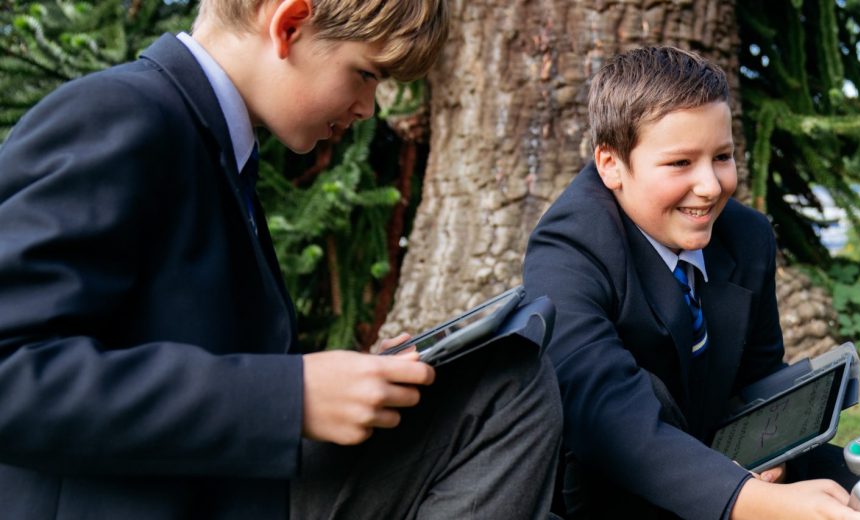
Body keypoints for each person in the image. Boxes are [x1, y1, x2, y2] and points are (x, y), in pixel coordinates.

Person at [0, 0, 561, 517]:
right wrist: (289, 396)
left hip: (223, 485)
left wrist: (347, 379)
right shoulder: (121, 113)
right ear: (289, 25)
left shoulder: (213, 145)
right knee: (507, 389)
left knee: (505, 375)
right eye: (366, 74)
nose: (368, 108)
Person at [522, 46, 860, 520]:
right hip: (608, 488)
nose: (711, 186)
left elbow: (758, 380)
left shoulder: (746, 236)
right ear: (611, 165)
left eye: (723, 157)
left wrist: (774, 454)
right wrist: (750, 500)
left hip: (728, 459)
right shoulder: (568, 249)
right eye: (680, 164)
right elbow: (606, 415)